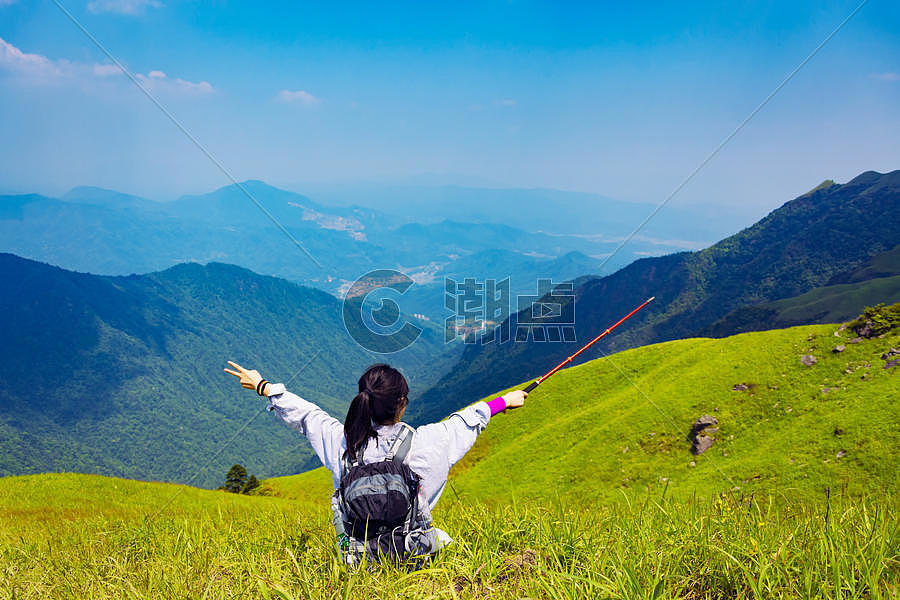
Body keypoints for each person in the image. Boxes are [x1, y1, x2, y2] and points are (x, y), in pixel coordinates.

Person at [224, 361, 526, 564]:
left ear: (362, 400)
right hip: (415, 555)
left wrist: (264, 386)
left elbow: (306, 416)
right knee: (449, 544)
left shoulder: (343, 443)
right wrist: (506, 401)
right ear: (402, 403)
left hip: (356, 562)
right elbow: (468, 420)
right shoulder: (431, 441)